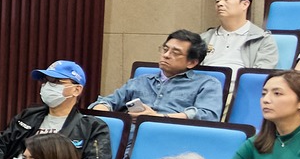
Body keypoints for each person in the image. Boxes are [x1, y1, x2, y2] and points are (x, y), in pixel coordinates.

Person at [0, 60, 114, 159]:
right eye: (46, 80)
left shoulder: (92, 126)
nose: (48, 85)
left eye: (56, 81)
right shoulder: (28, 115)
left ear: (76, 90)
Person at [91, 31, 222, 121]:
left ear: (192, 62)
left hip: (172, 138)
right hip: (129, 136)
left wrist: (159, 118)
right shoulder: (141, 81)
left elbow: (208, 115)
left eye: (175, 53)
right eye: (165, 49)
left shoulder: (206, 84)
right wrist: (102, 110)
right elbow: (106, 102)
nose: (166, 55)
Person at [200, 0, 277, 69]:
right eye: (217, 1)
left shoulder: (262, 39)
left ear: (245, 4)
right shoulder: (203, 38)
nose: (219, 4)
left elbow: (261, 73)